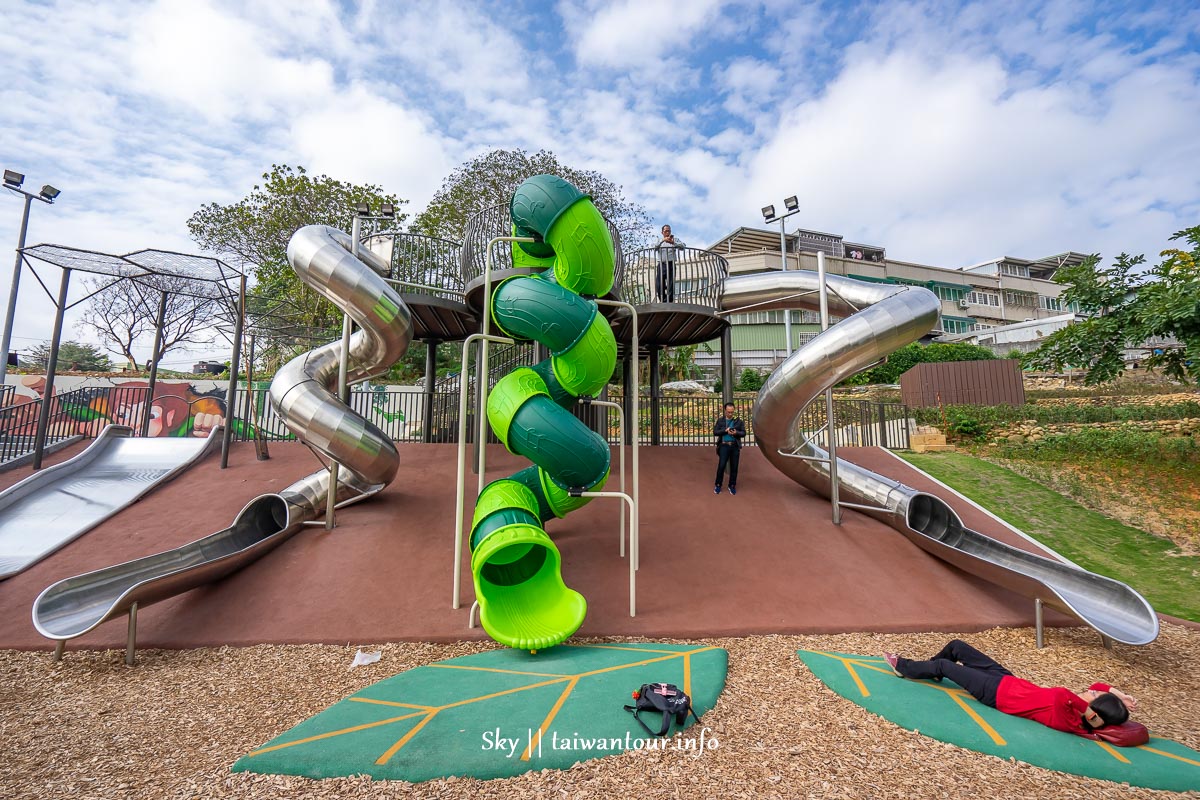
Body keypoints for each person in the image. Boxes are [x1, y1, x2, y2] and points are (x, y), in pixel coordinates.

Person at [884, 639, 1136, 738]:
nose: (1091, 690)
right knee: (956, 647)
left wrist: (1091, 704)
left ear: (1091, 712)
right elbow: (1095, 686)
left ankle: (904, 668)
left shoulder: (1067, 718)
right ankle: (934, 672)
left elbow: (1061, 693)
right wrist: (1116, 693)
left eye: (1093, 696)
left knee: (942, 665)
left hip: (995, 693)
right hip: (1006, 679)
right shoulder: (1078, 708)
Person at [713, 402, 745, 495]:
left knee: (734, 467)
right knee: (721, 465)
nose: (730, 414)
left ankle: (732, 485)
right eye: (728, 412)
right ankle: (718, 485)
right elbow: (715, 432)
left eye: (732, 412)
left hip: (734, 446)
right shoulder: (720, 421)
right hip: (724, 446)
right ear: (725, 411)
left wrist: (736, 432)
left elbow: (743, 433)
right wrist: (725, 431)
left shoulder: (738, 422)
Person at [654, 224, 686, 303]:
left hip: (671, 264)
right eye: (666, 231)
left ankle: (669, 301)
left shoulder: (675, 239)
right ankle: (663, 300)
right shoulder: (659, 240)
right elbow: (654, 247)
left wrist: (673, 242)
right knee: (659, 284)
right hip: (661, 264)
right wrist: (663, 240)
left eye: (669, 231)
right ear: (662, 232)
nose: (667, 232)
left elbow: (683, 246)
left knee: (671, 283)